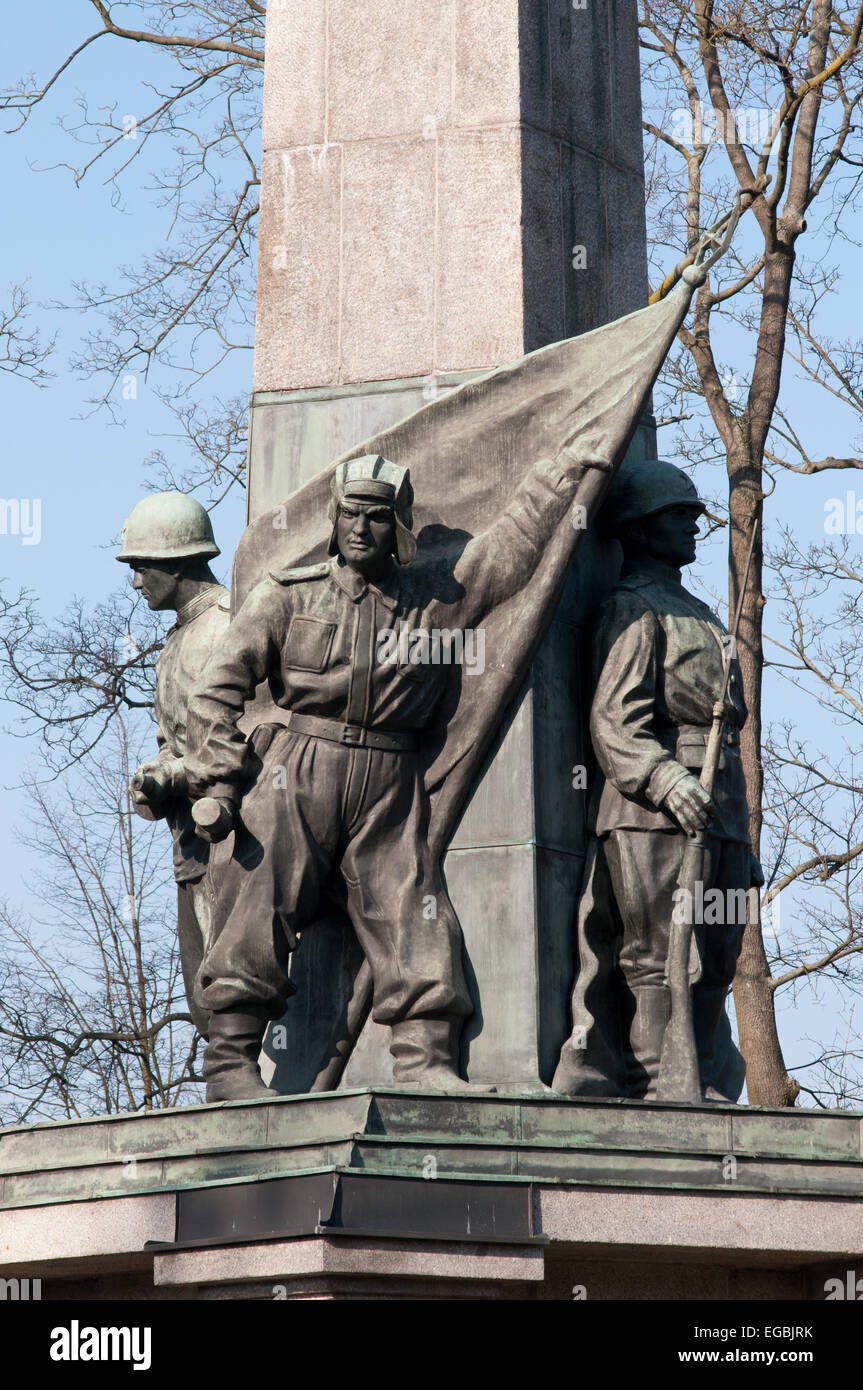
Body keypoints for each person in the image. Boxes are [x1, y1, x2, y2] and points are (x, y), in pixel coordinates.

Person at [183, 448, 609, 1101]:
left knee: (414, 909)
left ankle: (425, 1062)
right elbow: (216, 691)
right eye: (350, 514)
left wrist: (567, 466)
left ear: (399, 528)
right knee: (258, 905)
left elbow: (509, 550)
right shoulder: (286, 596)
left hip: (389, 774)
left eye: (377, 517)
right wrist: (220, 770)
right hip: (296, 768)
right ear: (333, 521)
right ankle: (229, 1066)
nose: (360, 528)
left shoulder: (433, 601)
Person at [553, 458, 762, 1101]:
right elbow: (614, 718)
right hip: (650, 811)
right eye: (679, 517)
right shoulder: (632, 607)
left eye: (695, 515)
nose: (694, 527)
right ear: (641, 530)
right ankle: (655, 1084)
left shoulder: (694, 609)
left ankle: (704, 1081)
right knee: (658, 955)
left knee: (715, 955)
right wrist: (666, 780)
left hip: (720, 800)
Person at [117, 491, 231, 1038]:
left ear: (177, 562)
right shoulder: (177, 639)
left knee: (234, 987)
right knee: (204, 998)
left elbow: (247, 737)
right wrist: (155, 778)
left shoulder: (230, 627)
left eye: (141, 567)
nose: (136, 582)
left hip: (236, 844)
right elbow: (175, 738)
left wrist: (176, 773)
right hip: (190, 845)